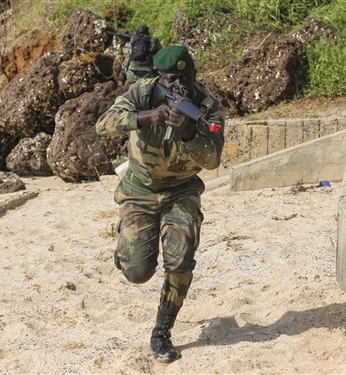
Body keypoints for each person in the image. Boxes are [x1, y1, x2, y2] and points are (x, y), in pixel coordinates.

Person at [95, 45, 225, 362]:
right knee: (137, 272)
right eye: (170, 79)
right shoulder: (143, 92)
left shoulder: (206, 106)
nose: (177, 85)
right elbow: (103, 124)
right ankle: (126, 240)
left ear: (192, 74)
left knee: (180, 261)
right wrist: (146, 116)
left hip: (182, 191)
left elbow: (212, 160)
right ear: (159, 77)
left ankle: (162, 331)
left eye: (183, 77)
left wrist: (188, 131)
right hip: (139, 189)